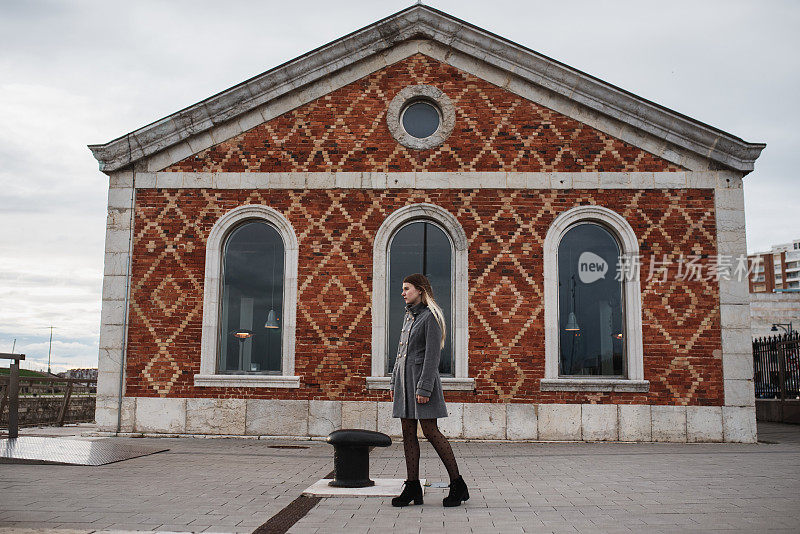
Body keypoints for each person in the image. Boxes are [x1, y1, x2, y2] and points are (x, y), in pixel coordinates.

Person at [389, 273, 469, 507]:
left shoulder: (429, 317)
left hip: (422, 383)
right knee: (407, 433)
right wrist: (394, 383)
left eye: (407, 289)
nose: (403, 293)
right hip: (405, 382)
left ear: (420, 291)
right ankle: (412, 487)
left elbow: (432, 357)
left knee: (431, 432)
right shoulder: (408, 317)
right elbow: (400, 354)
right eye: (402, 289)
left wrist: (424, 387)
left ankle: (458, 484)